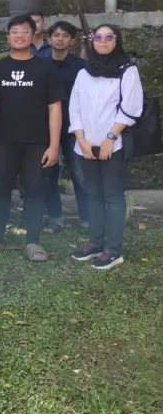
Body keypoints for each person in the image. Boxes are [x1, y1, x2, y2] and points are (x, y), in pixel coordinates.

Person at [0, 15, 62, 262]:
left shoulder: (46, 68)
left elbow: (55, 107)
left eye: (25, 31)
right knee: (0, 188)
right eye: (14, 31)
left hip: (37, 141)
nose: (19, 35)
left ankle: (33, 241)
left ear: (33, 35)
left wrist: (54, 145)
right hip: (3, 140)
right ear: (8, 37)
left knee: (35, 189)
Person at [69, 25, 143, 270]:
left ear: (116, 40)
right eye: (98, 37)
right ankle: (96, 242)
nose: (102, 41)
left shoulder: (127, 70)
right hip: (85, 146)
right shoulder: (84, 72)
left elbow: (131, 108)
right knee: (93, 195)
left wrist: (110, 138)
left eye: (108, 37)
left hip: (113, 144)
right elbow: (74, 107)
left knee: (112, 196)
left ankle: (113, 249)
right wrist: (81, 140)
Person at [43, 21, 89, 230]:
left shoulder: (81, 67)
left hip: (74, 128)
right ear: (49, 38)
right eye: (56, 35)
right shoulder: (40, 64)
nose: (60, 39)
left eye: (65, 35)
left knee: (80, 175)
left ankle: (88, 218)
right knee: (48, 175)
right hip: (46, 129)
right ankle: (55, 217)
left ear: (72, 40)